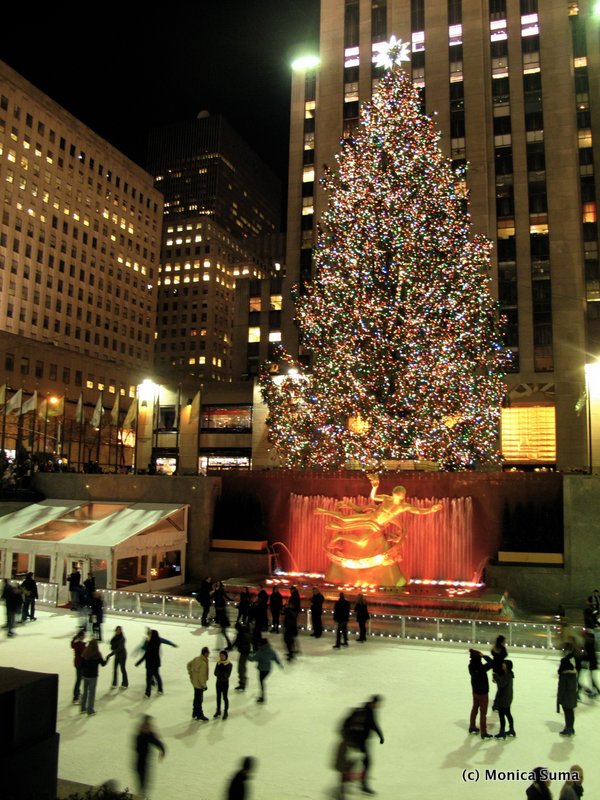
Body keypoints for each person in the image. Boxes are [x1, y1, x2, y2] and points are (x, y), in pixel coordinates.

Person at [341, 695, 384, 796]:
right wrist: (380, 735)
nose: (379, 706)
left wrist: (380, 735)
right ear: (374, 702)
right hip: (358, 742)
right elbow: (373, 724)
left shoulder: (367, 710)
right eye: (378, 704)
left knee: (363, 763)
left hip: (359, 742)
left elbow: (373, 724)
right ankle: (355, 785)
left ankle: (358, 784)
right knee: (360, 763)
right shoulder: (366, 711)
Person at [135, 629, 178, 697]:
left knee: (150, 677)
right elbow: (165, 641)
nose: (149, 635)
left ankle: (148, 693)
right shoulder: (156, 640)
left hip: (150, 662)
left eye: (150, 634)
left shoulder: (151, 642)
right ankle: (159, 690)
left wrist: (139, 662)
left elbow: (146, 653)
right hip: (155, 662)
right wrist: (172, 644)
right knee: (156, 676)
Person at [134, 715, 165, 795]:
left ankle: (143, 793)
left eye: (149, 725)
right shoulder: (140, 736)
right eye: (147, 725)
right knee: (142, 780)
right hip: (139, 762)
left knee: (146, 781)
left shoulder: (149, 734)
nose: (150, 726)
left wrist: (162, 750)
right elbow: (138, 749)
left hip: (146, 762)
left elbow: (158, 743)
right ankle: (142, 793)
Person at [468, 648, 494, 739]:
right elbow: (492, 663)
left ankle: (472, 726)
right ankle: (483, 732)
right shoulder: (481, 668)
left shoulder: (470, 666)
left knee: (474, 709)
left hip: (475, 691)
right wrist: (484, 656)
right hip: (483, 693)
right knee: (483, 713)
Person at [248, 636, 283, 703]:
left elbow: (253, 659)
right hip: (268, 670)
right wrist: (280, 665)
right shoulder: (271, 650)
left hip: (262, 670)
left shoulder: (261, 651)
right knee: (262, 682)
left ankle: (262, 697)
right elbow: (276, 658)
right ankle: (262, 696)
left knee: (261, 682)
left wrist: (247, 655)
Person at [80, 638, 108, 715]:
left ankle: (83, 708)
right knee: (91, 693)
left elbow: (81, 665)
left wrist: (82, 674)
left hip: (85, 675)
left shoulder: (85, 653)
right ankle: (90, 710)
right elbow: (103, 664)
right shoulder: (97, 654)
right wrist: (107, 659)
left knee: (85, 692)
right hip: (93, 676)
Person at [557, 646, 578, 737]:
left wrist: (559, 698)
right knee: (570, 712)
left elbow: (562, 688)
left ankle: (568, 728)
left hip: (566, 697)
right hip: (572, 695)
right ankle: (571, 728)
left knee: (567, 712)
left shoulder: (564, 675)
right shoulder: (573, 673)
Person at [493, 659, 515, 738]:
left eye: (504, 664)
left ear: (507, 666)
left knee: (502, 715)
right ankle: (511, 729)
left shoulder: (507, 675)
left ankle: (502, 732)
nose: (502, 665)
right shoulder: (508, 673)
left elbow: (502, 684)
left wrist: (495, 676)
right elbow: (502, 682)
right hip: (507, 697)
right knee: (508, 713)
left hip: (504, 698)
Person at [187, 646, 210, 720]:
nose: (209, 654)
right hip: (199, 684)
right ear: (205, 653)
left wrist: (191, 675)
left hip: (195, 682)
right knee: (199, 700)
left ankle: (195, 712)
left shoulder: (196, 659)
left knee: (196, 698)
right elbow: (201, 676)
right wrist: (204, 685)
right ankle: (200, 714)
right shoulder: (203, 663)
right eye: (208, 653)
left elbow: (188, 665)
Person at [213, 581, 233, 649]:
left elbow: (225, 595)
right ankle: (227, 645)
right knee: (222, 633)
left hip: (224, 622)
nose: (218, 584)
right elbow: (214, 596)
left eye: (219, 583)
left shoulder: (221, 590)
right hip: (223, 621)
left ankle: (228, 645)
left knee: (223, 633)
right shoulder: (216, 589)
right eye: (217, 583)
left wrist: (230, 599)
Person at [214, 649, 233, 719]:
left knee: (225, 697)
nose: (221, 657)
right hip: (218, 682)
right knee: (218, 697)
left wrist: (221, 669)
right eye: (220, 656)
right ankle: (218, 710)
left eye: (222, 656)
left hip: (225, 683)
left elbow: (227, 675)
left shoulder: (229, 664)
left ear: (226, 656)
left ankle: (225, 711)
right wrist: (220, 670)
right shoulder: (218, 663)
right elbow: (215, 673)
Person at [490, 634, 508, 711]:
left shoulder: (494, 649)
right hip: (501, 671)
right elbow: (505, 655)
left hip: (495, 670)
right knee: (500, 689)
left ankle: (498, 703)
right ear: (501, 642)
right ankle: (496, 705)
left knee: (500, 688)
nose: (505, 642)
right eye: (504, 641)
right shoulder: (502, 649)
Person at [233, 622, 252, 691]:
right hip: (244, 652)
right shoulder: (245, 632)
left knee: (241, 668)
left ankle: (242, 683)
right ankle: (242, 683)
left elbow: (237, 642)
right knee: (241, 667)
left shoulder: (241, 634)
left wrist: (232, 646)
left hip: (244, 652)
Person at [71, 629, 86, 703]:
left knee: (80, 678)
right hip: (80, 663)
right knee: (79, 680)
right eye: (84, 636)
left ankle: (77, 692)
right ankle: (75, 697)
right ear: (81, 636)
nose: (85, 637)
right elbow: (84, 653)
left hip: (77, 662)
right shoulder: (80, 644)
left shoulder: (75, 642)